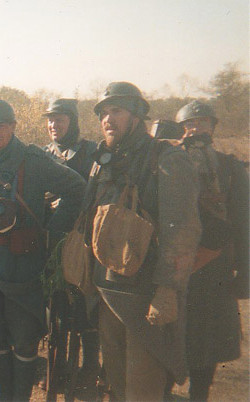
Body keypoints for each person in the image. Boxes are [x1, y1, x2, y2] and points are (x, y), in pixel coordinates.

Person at [0, 96, 86, 401]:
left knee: (24, 340)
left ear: (13, 126)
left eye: (0, 126)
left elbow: (77, 188)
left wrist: (52, 232)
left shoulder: (34, 161)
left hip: (24, 268)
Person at [84, 82, 201, 401]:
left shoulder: (166, 158)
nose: (108, 119)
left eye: (117, 111)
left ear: (137, 115)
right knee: (118, 388)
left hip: (145, 299)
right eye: (104, 113)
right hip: (108, 294)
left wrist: (167, 289)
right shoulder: (104, 159)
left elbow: (183, 232)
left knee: (143, 391)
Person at [162, 100, 248, 401]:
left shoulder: (230, 166)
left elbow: (243, 222)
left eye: (201, 122)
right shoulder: (169, 161)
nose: (195, 128)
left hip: (216, 270)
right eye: (189, 124)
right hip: (177, 265)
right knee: (170, 334)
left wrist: (245, 273)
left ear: (213, 126)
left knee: (209, 343)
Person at [41, 98, 100, 395]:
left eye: (60, 119)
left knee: (86, 306)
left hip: (83, 239)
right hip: (53, 239)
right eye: (50, 120)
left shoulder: (91, 152)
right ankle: (59, 365)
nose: (54, 125)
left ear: (72, 121)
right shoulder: (44, 153)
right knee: (56, 306)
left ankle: (91, 368)